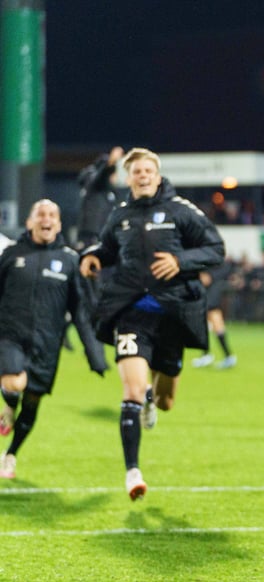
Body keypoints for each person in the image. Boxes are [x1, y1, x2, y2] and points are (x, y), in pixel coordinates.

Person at [80, 148, 225, 500]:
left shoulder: (181, 210)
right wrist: (94, 257)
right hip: (131, 312)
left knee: (164, 401)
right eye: (136, 172)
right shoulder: (120, 215)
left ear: (157, 176)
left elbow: (216, 249)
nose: (143, 176)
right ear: (128, 179)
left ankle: (150, 401)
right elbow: (108, 248)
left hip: (173, 314)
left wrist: (181, 260)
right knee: (130, 390)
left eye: (148, 171)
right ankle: (133, 472)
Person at [0, 200, 108, 478]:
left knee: (33, 402)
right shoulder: (12, 254)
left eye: (52, 215)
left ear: (58, 224)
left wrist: (94, 353)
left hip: (47, 344)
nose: (46, 219)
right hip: (10, 336)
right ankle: (10, 405)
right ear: (30, 222)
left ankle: (11, 454)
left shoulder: (70, 260)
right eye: (40, 214)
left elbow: (80, 312)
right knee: (14, 380)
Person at [192, 260, 237, 369]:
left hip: (211, 299)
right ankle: (208, 355)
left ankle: (226, 356)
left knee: (215, 327)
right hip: (211, 298)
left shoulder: (210, 265)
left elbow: (206, 279)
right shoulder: (217, 264)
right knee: (207, 327)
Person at [76, 146, 124, 249]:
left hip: (105, 236)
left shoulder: (109, 192)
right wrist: (111, 162)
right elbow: (101, 176)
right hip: (92, 237)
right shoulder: (95, 186)